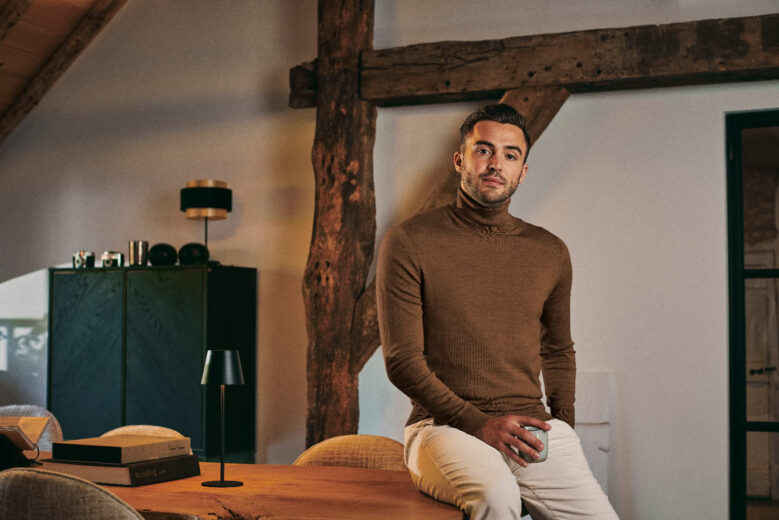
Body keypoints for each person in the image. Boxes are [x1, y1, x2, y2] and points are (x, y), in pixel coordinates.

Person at [376, 104, 618, 519]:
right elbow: (402, 362)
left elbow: (558, 349)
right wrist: (480, 424)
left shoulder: (549, 251)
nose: (496, 164)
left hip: (529, 427)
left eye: (510, 155)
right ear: (460, 160)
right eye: (483, 150)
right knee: (496, 496)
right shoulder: (410, 241)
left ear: (522, 172)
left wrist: (562, 425)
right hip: (441, 428)